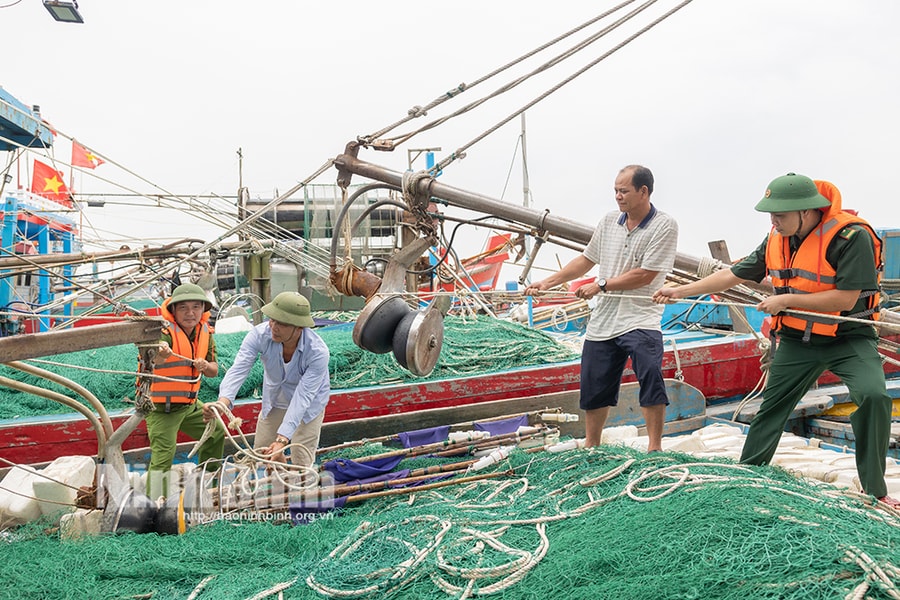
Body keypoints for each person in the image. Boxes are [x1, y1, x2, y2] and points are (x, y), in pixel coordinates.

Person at [653, 172, 898, 507]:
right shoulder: (776, 239)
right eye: (771, 214)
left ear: (807, 211)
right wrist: (680, 291)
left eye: (779, 214)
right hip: (797, 340)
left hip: (849, 339)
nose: (773, 220)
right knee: (771, 409)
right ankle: (748, 479)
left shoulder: (851, 237)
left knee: (873, 396)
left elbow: (844, 299)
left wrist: (786, 301)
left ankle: (874, 490)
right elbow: (732, 274)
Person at [524, 165, 678, 451]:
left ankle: (654, 448)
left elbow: (645, 275)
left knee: (651, 377)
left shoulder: (665, 225)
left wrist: (601, 285)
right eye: (615, 191)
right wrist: (549, 282)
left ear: (643, 192)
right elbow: (586, 260)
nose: (618, 196)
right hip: (604, 320)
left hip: (641, 317)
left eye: (624, 191)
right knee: (594, 384)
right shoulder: (609, 221)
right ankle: (592, 445)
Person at [205, 291, 331, 467]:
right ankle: (267, 488)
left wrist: (282, 439)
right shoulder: (259, 335)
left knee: (300, 458)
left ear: (299, 327)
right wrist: (223, 402)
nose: (273, 326)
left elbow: (303, 398)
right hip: (274, 400)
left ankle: (301, 487)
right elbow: (239, 368)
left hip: (309, 406)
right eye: (272, 319)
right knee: (261, 454)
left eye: (282, 323)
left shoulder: (317, 353)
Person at [145, 282, 224, 498]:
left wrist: (205, 366)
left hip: (189, 406)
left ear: (203, 310)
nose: (190, 313)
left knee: (216, 432)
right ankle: (154, 507)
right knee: (163, 458)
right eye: (183, 308)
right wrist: (162, 351)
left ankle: (208, 485)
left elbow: (214, 371)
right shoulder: (164, 332)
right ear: (173, 311)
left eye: (196, 307)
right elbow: (155, 358)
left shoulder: (205, 332)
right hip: (162, 409)